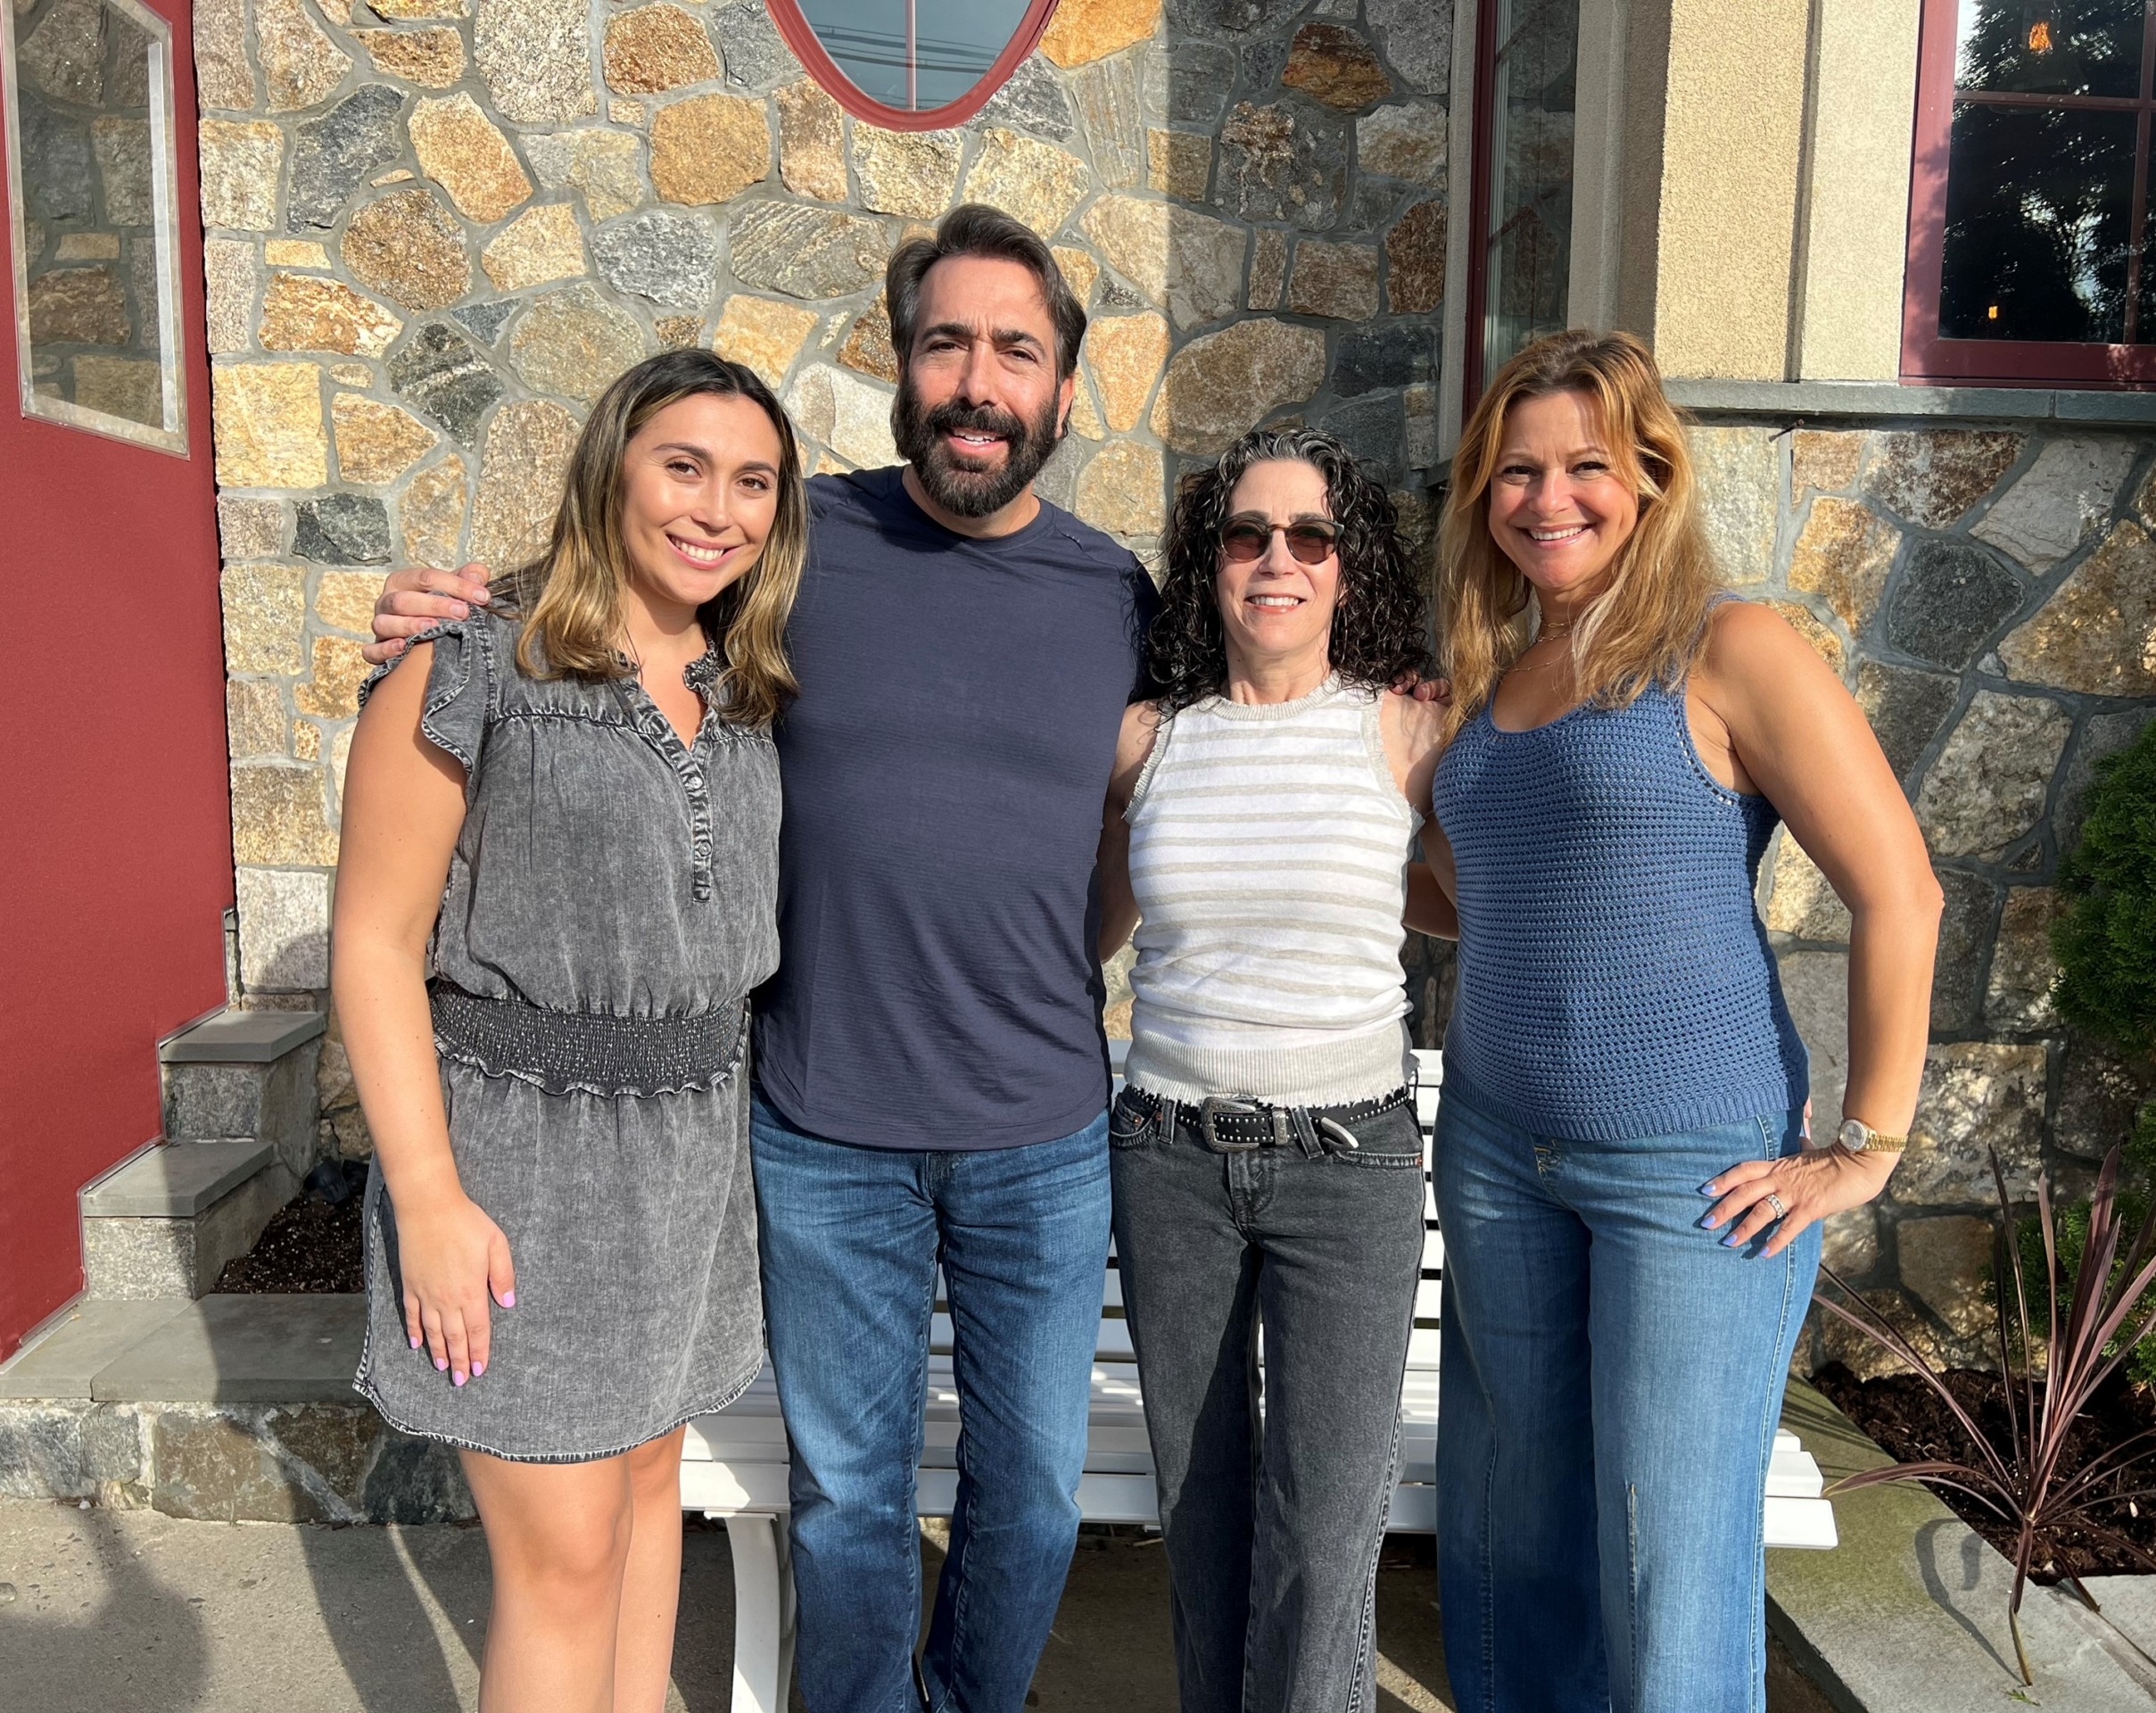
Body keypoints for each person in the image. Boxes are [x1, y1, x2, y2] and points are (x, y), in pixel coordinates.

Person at [366, 205, 1158, 1713]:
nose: (978, 380)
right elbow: (594, 609)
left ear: (1064, 387)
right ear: (902, 365)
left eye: (1016, 349)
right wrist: (439, 609)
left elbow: (1154, 798)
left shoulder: (1115, 595)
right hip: (816, 1131)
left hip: (1040, 1133)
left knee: (1035, 1500)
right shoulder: (804, 549)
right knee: (849, 1505)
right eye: (946, 344)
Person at [1411, 329, 1944, 1713]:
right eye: (1515, 472)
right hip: (1494, 1147)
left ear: (1649, 476)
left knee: (1667, 1558)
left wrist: (1868, 1145)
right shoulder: (1492, 672)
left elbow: (1902, 892)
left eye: (1587, 465)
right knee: (1504, 1535)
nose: (1548, 498)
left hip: (1691, 1174)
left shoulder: (1729, 647)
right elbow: (1488, 904)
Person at [334, 349, 805, 1712]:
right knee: (562, 1563)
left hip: (687, 1173)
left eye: (753, 481)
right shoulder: (470, 664)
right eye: (684, 465)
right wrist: (427, 1198)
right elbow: (373, 944)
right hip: (518, 1171)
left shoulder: (745, 687)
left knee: (652, 1498)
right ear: (610, 468)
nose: (717, 508)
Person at [1094, 428, 1444, 1713]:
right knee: (1199, 1502)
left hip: (1348, 1166)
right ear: (1211, 563)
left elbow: (1486, 905)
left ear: (1350, 568)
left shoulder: (1409, 734)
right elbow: (1081, 929)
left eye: (1311, 536)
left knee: (1326, 1517)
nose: (1277, 559)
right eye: (1247, 535)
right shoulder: (1147, 740)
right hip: (1171, 1156)